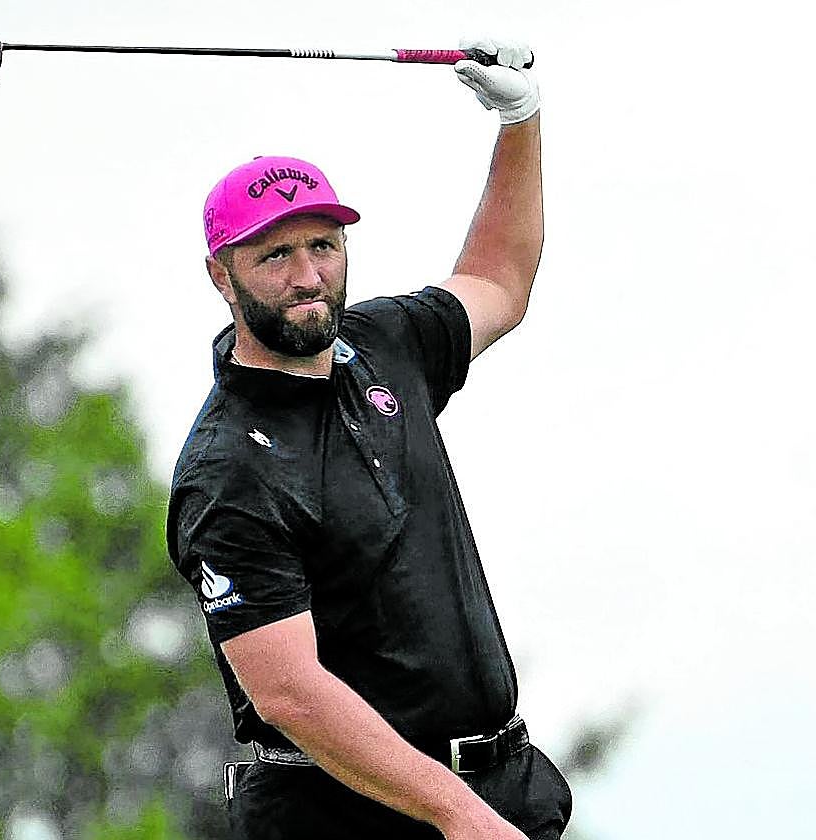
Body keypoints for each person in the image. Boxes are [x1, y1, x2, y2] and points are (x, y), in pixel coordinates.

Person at [166, 36, 571, 840]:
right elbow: (290, 693)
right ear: (222, 275)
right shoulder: (227, 469)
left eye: (323, 245)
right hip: (352, 820)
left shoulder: (384, 344)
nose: (307, 275)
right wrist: (458, 816)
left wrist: (519, 122)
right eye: (275, 254)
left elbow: (497, 279)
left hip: (499, 790)